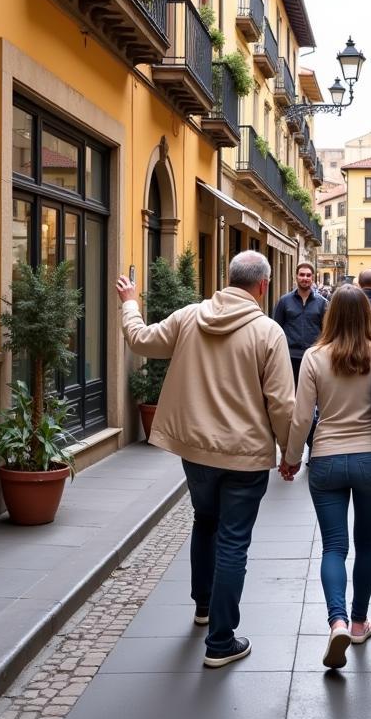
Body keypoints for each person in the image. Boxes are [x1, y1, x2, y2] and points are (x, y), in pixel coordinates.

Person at [116, 251, 294, 669]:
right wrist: (290, 452)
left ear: (227, 278)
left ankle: (203, 606)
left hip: (195, 451)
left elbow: (141, 340)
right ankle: (221, 640)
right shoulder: (268, 332)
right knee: (233, 540)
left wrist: (129, 302)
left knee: (205, 521)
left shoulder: (189, 317)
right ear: (263, 286)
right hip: (246, 456)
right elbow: (283, 404)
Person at [281, 285, 371, 670]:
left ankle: (337, 621)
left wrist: (291, 458)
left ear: (329, 316)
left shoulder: (313, 357)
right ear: (367, 316)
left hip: (326, 458)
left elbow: (301, 415)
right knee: (367, 542)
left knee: (334, 547)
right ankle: (359, 623)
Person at [273, 262, 328, 390]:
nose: (305, 278)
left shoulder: (322, 303)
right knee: (290, 391)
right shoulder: (284, 301)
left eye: (308, 275)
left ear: (312, 278)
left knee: (313, 392)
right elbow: (276, 328)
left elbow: (326, 331)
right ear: (296, 277)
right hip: (289, 356)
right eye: (302, 275)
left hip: (314, 356)